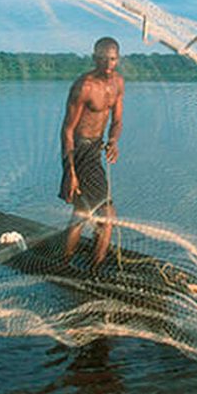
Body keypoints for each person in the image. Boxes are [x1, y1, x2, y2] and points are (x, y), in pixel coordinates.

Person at [59, 37, 124, 267]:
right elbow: (67, 131)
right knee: (107, 215)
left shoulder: (118, 83)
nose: (108, 65)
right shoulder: (84, 86)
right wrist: (70, 172)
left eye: (112, 59)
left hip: (96, 148)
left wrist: (113, 141)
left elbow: (117, 121)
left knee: (81, 212)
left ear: (118, 59)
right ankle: (95, 268)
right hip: (79, 150)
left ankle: (64, 262)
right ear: (95, 59)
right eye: (103, 59)